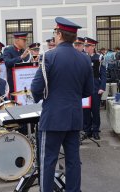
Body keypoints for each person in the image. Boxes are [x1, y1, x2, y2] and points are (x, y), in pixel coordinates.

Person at [31, 17, 93, 192]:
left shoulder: (49, 56)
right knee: (73, 160)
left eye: (55, 33)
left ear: (59, 34)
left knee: (48, 160)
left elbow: (36, 88)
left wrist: (44, 98)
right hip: (74, 117)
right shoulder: (84, 59)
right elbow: (89, 91)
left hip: (52, 118)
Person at [83, 37, 106, 140]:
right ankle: (87, 130)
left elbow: (104, 74)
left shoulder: (99, 58)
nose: (85, 47)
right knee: (86, 110)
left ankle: (96, 130)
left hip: (96, 87)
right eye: (85, 46)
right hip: (85, 89)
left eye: (87, 46)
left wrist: (102, 87)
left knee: (95, 110)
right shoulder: (83, 57)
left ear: (93, 46)